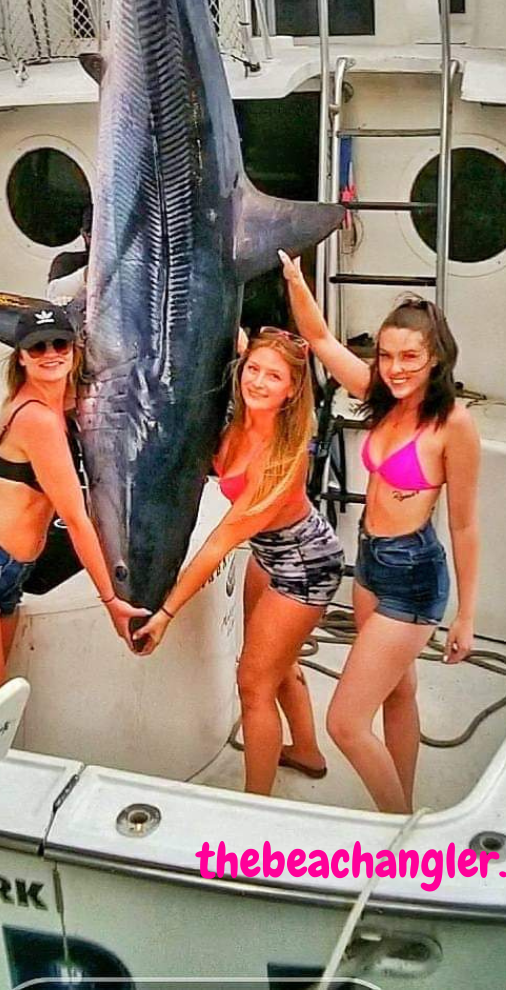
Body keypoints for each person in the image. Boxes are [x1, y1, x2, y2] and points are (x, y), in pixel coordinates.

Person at [279, 250, 480, 813]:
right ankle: (406, 800)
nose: (395, 368)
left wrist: (466, 615)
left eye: (410, 357)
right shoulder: (379, 396)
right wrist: (295, 278)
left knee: (345, 722)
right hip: (370, 564)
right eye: (387, 355)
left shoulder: (454, 425)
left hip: (413, 576)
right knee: (400, 689)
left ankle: (400, 836)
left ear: (436, 357)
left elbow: (464, 524)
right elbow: (318, 339)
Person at [135, 328, 344, 795]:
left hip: (305, 564)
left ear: (292, 389)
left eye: (275, 376)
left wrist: (165, 614)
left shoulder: (280, 456)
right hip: (269, 553)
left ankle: (255, 806)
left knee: (253, 684)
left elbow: (219, 542)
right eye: (254, 370)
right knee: (276, 663)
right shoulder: (235, 420)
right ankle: (307, 752)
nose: (260, 382)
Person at [0, 303, 145, 720]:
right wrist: (111, 600)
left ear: (74, 350)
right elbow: (77, 520)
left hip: (7, 571)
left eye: (59, 344)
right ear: (21, 356)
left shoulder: (52, 405)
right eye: (37, 347)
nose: (50, 354)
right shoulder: (37, 419)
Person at [47, 203, 91, 304]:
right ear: (83, 234)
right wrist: (87, 274)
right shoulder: (68, 261)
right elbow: (53, 293)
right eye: (91, 235)